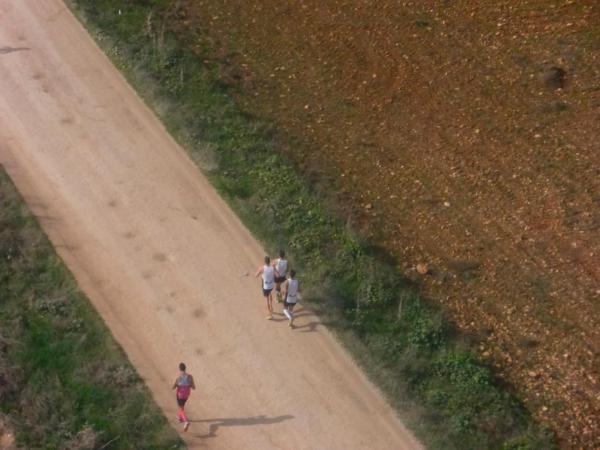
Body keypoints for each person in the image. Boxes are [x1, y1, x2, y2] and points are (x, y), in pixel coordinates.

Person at [172, 362, 195, 432]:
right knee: (182, 406)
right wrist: (189, 385)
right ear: (185, 368)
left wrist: (177, 384)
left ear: (179, 369)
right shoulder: (190, 377)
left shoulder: (178, 378)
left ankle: (185, 421)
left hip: (180, 395)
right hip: (187, 395)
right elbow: (194, 387)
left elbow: (173, 387)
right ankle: (180, 417)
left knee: (180, 408)